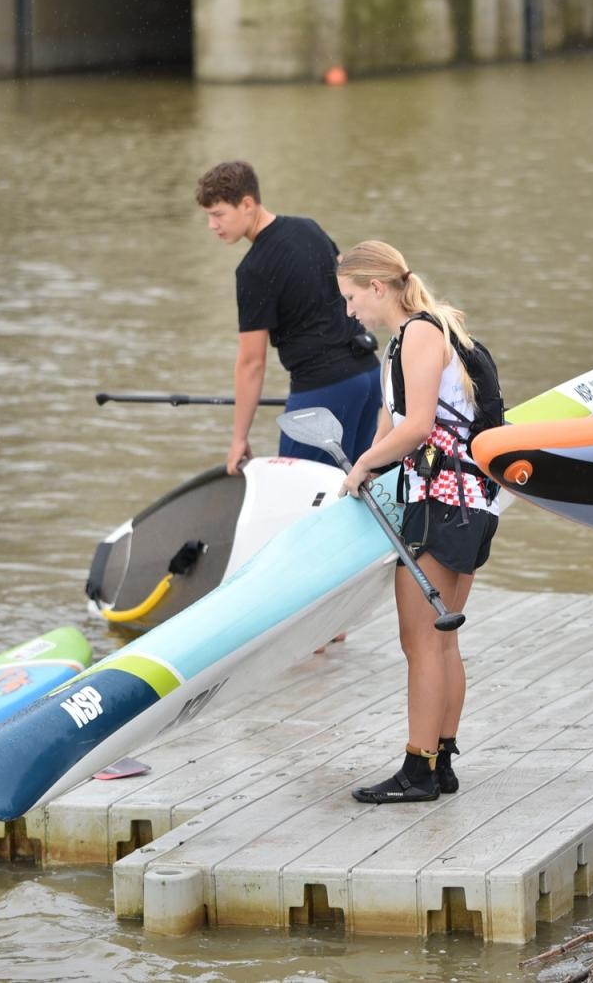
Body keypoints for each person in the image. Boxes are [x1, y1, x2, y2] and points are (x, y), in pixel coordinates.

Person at [334, 240, 502, 803]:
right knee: (443, 638)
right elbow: (393, 423)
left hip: (443, 502)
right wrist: (373, 462)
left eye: (352, 297)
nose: (349, 310)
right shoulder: (426, 334)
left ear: (377, 288)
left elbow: (419, 426)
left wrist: (362, 465)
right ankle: (442, 759)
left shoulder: (420, 334)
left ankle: (418, 770)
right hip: (469, 499)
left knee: (422, 643)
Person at [195, 161, 382, 475]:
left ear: (247, 204)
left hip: (323, 391)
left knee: (298, 496)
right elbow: (351, 288)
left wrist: (239, 438)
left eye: (218, 214)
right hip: (368, 378)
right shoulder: (308, 227)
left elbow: (252, 362)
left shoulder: (254, 270)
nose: (213, 225)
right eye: (209, 216)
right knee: (356, 491)